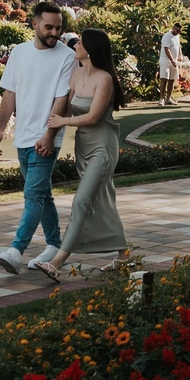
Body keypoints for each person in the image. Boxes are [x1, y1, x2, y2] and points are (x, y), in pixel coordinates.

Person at [36, 28, 128, 280]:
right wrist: (48, 129)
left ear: (91, 49)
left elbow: (93, 116)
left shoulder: (105, 79)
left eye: (80, 42)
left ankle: (57, 262)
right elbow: (66, 104)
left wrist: (62, 122)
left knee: (81, 201)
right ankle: (124, 256)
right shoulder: (76, 75)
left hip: (103, 147)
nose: (75, 45)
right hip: (84, 148)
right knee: (102, 201)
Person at [0, 1, 76, 274]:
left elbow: (62, 98)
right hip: (23, 137)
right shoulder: (19, 52)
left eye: (58, 28)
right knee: (42, 194)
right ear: (35, 24)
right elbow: (10, 93)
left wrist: (50, 135)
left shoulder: (66, 56)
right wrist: (0, 128)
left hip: (45, 139)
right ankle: (53, 244)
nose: (54, 33)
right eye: (49, 27)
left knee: (32, 196)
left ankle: (16, 250)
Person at [158, 23, 183, 106]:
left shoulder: (177, 36)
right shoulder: (166, 36)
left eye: (179, 31)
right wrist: (172, 60)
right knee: (164, 79)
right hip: (165, 61)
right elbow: (166, 49)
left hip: (174, 62)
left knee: (172, 80)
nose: (177, 32)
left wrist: (180, 55)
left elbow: (179, 46)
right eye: (176, 30)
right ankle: (161, 99)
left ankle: (168, 98)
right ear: (173, 28)